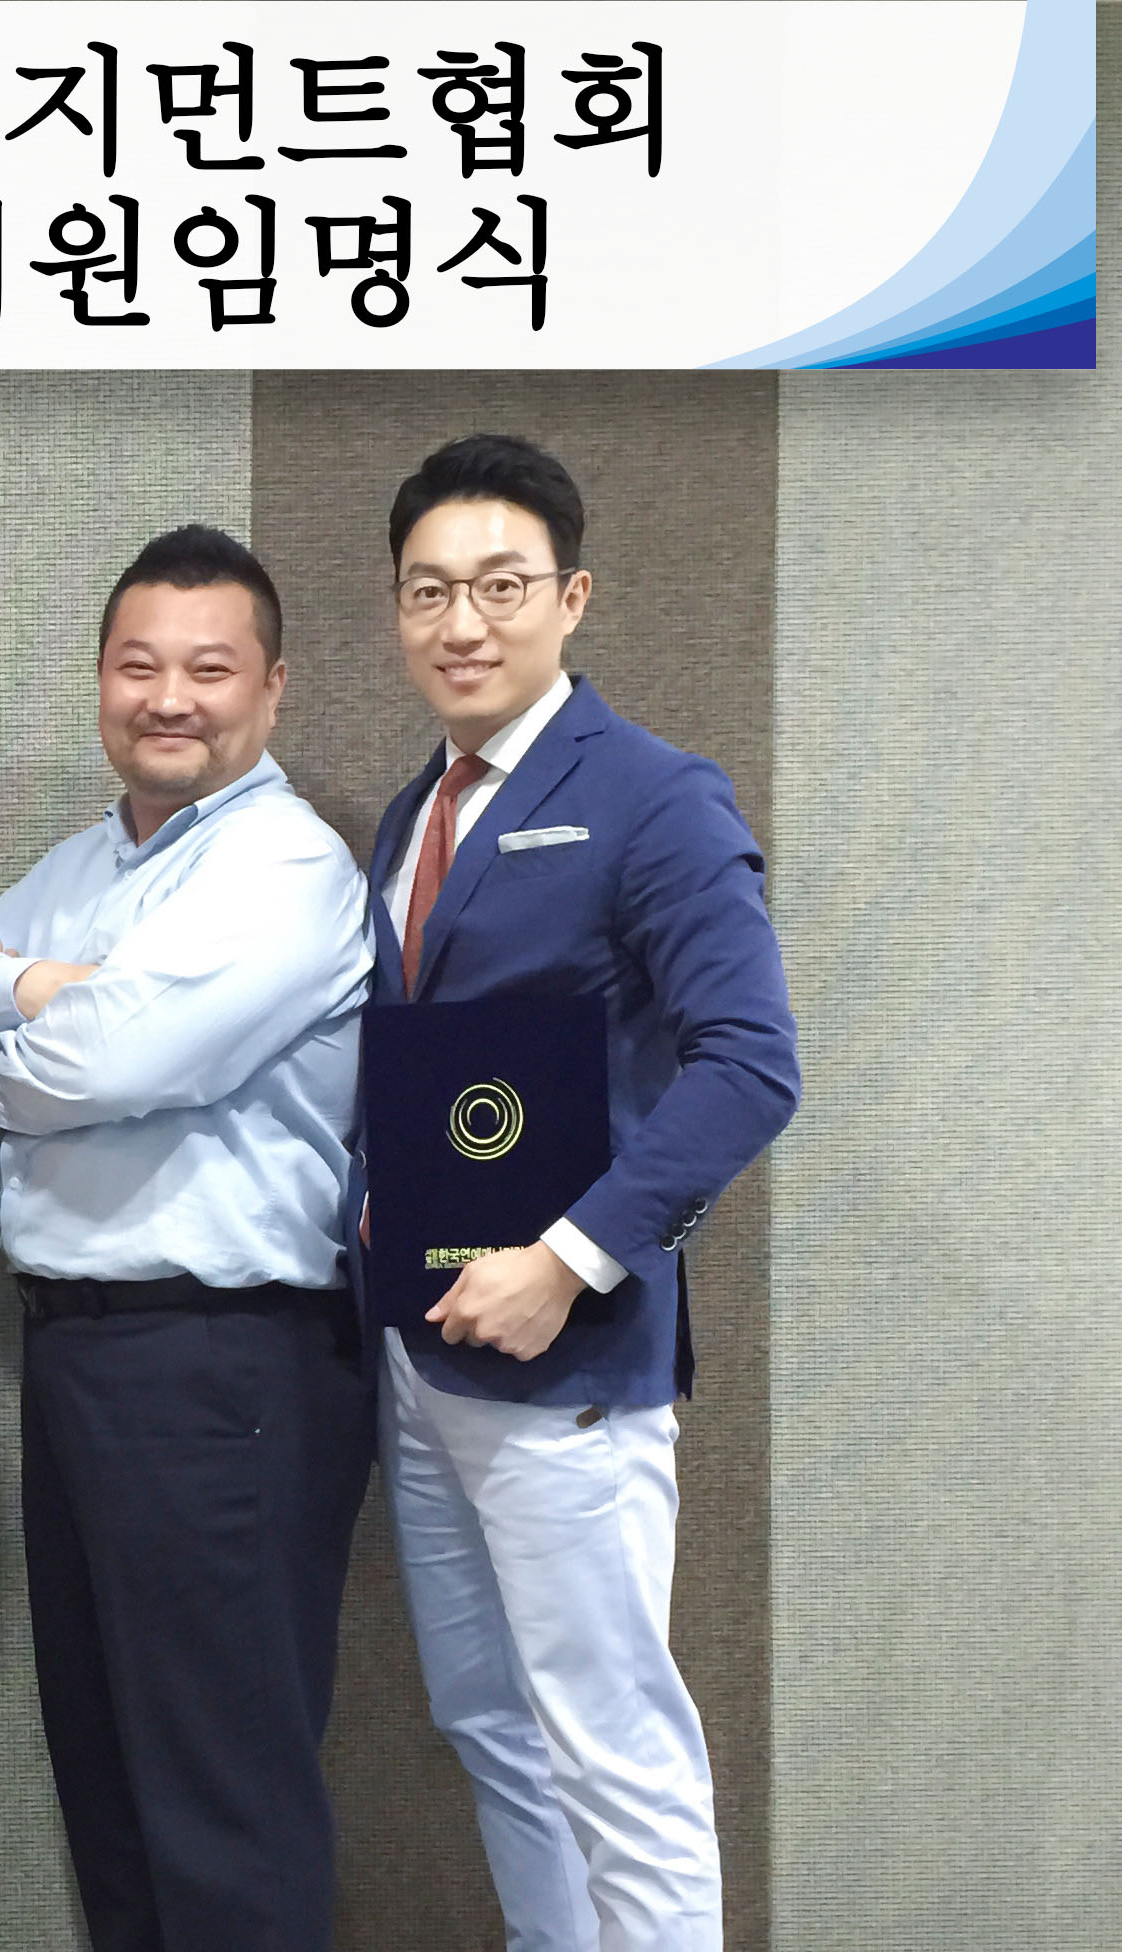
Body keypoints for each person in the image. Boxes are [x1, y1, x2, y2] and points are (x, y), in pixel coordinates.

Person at [365, 434, 801, 1951]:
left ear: (572, 597)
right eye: (429, 590)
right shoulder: (414, 813)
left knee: (615, 1749)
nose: (462, 623)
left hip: (572, 1369)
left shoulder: (655, 796)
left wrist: (568, 1259)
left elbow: (752, 1066)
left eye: (501, 586)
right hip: (421, 1355)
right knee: (492, 1726)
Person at [0, 526, 374, 1952]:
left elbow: (105, 1065)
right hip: (77, 1360)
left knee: (220, 1801)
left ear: (274, 686)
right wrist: (48, 989)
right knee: (111, 1785)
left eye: (210, 668)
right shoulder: (81, 867)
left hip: (223, 1366)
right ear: (101, 680)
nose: (169, 698)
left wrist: (14, 1058)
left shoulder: (286, 864)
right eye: (138, 666)